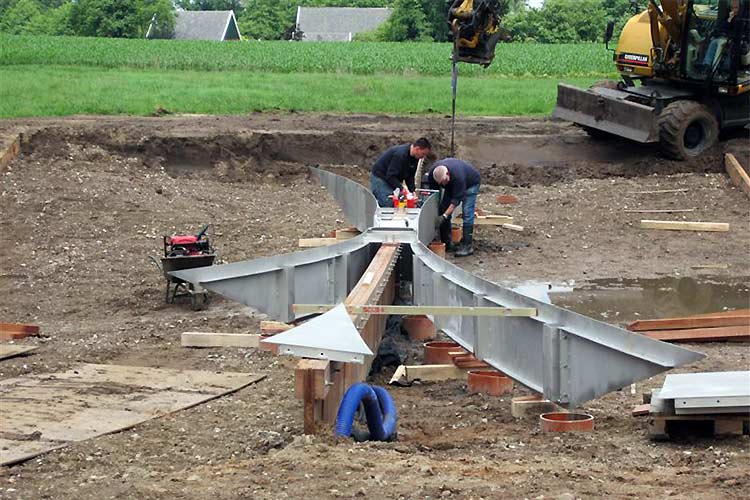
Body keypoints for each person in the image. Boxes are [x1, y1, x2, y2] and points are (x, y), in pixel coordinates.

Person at [428, 158, 481, 257]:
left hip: (471, 183)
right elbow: (433, 194)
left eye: (444, 181)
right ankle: (447, 242)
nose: (443, 185)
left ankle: (467, 246)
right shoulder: (433, 173)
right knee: (443, 207)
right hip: (452, 184)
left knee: (467, 212)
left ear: (448, 174)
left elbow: (455, 201)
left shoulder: (458, 177)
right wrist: (437, 210)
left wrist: (443, 216)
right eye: (441, 184)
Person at [370, 138, 432, 208]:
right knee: (388, 202)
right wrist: (402, 189)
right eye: (423, 154)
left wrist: (412, 191)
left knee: (400, 201)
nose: (423, 157)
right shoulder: (400, 155)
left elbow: (410, 176)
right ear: (417, 149)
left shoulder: (415, 157)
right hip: (380, 177)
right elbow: (390, 176)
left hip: (392, 179)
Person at [702, 0, 740, 71]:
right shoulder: (729, 17)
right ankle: (707, 64)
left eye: (736, 8)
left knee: (728, 46)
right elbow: (722, 27)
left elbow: (737, 30)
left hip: (735, 39)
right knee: (713, 42)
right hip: (724, 37)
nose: (733, 10)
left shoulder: (741, 19)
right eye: (732, 8)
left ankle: (725, 68)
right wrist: (729, 19)